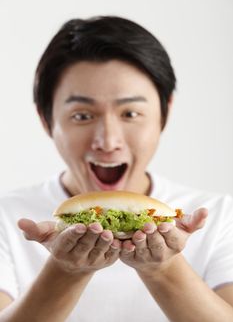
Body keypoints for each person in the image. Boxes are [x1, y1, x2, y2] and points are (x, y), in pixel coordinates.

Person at [0, 16, 232, 322]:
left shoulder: (218, 217)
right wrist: (67, 271)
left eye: (131, 113)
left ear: (165, 113)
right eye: (82, 116)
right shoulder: (8, 218)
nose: (108, 141)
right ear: (46, 120)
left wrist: (161, 268)